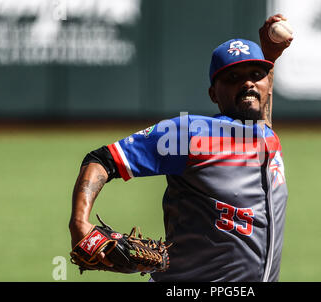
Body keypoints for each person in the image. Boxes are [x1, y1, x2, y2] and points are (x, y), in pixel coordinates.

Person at [69, 14, 291, 282]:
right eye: (233, 77)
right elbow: (102, 160)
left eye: (256, 75)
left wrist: (270, 57)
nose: (247, 83)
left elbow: (259, 111)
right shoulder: (190, 133)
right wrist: (79, 222)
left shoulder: (265, 135)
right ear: (213, 94)